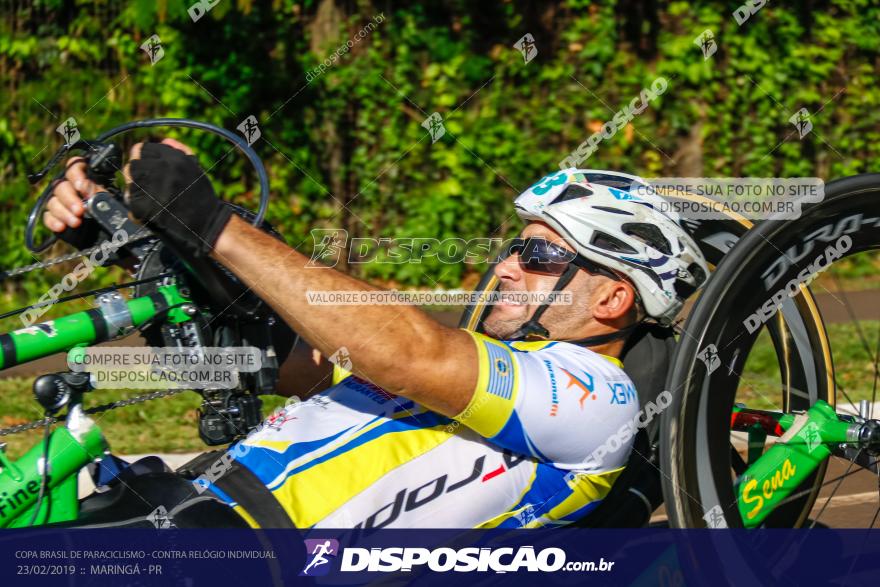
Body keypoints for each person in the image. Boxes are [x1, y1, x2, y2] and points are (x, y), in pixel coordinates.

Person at [44, 139, 707, 528]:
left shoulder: (599, 396)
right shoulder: (478, 364)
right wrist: (143, 242)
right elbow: (274, 361)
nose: (505, 266)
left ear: (615, 296)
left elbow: (405, 350)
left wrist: (212, 219)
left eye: (538, 257)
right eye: (513, 248)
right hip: (181, 500)